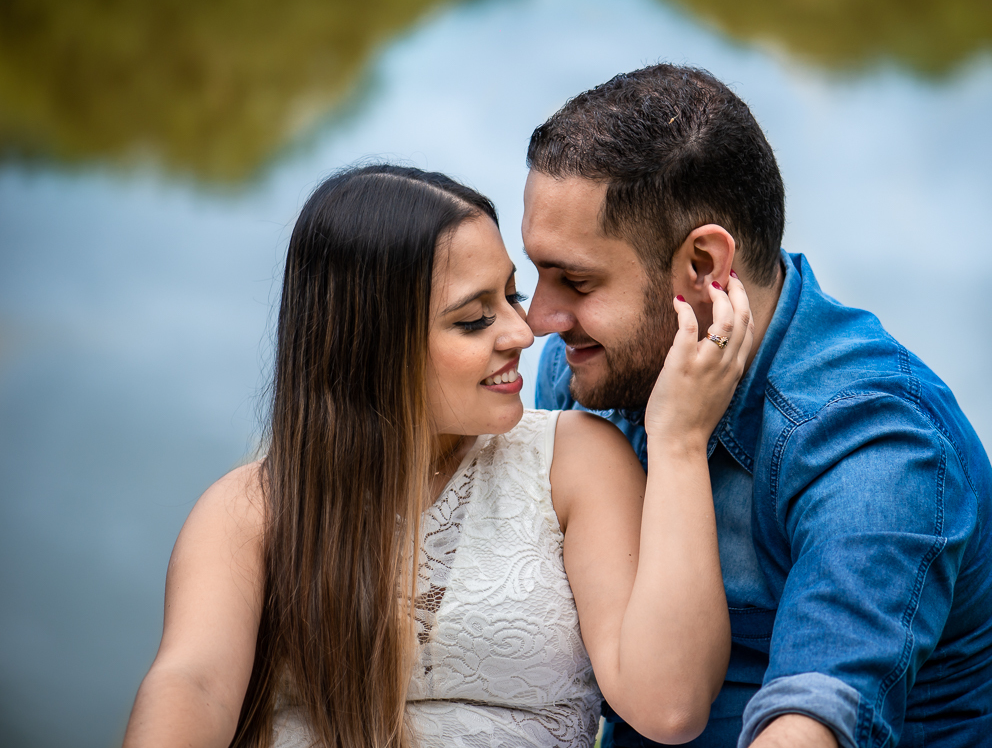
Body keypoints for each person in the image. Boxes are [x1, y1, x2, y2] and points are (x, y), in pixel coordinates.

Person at [122, 164, 753, 748]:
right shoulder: (249, 510)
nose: (522, 332)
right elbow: (193, 685)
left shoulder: (576, 462)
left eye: (511, 296)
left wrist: (678, 442)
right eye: (474, 319)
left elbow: (670, 705)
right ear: (368, 344)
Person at [524, 65, 992, 748]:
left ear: (704, 265)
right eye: (538, 272)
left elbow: (811, 724)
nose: (539, 320)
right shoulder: (588, 367)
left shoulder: (880, 445)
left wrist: (676, 442)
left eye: (576, 281)